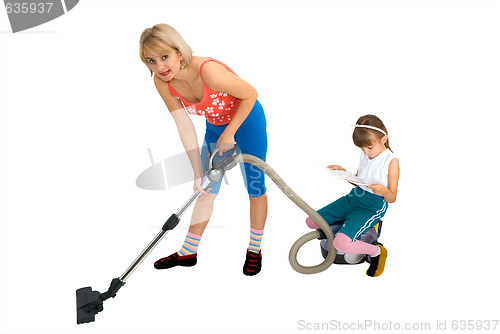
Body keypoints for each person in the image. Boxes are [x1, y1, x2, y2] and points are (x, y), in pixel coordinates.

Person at [139, 24, 268, 276]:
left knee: (254, 186)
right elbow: (184, 125)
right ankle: (188, 251)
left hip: (248, 121)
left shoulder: (209, 71)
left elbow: (250, 93)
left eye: (164, 57)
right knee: (205, 190)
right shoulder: (162, 81)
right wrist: (197, 172)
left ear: (178, 51)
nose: (160, 67)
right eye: (151, 61)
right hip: (216, 128)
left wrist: (231, 133)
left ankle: (255, 249)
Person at [306, 115, 400, 277]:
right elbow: (359, 181)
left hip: (372, 206)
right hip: (354, 198)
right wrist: (344, 172)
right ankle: (347, 226)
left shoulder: (391, 161)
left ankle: (377, 251)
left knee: (341, 243)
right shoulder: (365, 153)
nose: (365, 152)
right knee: (311, 221)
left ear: (383, 139)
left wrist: (383, 191)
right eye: (362, 148)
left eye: (369, 148)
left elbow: (392, 197)